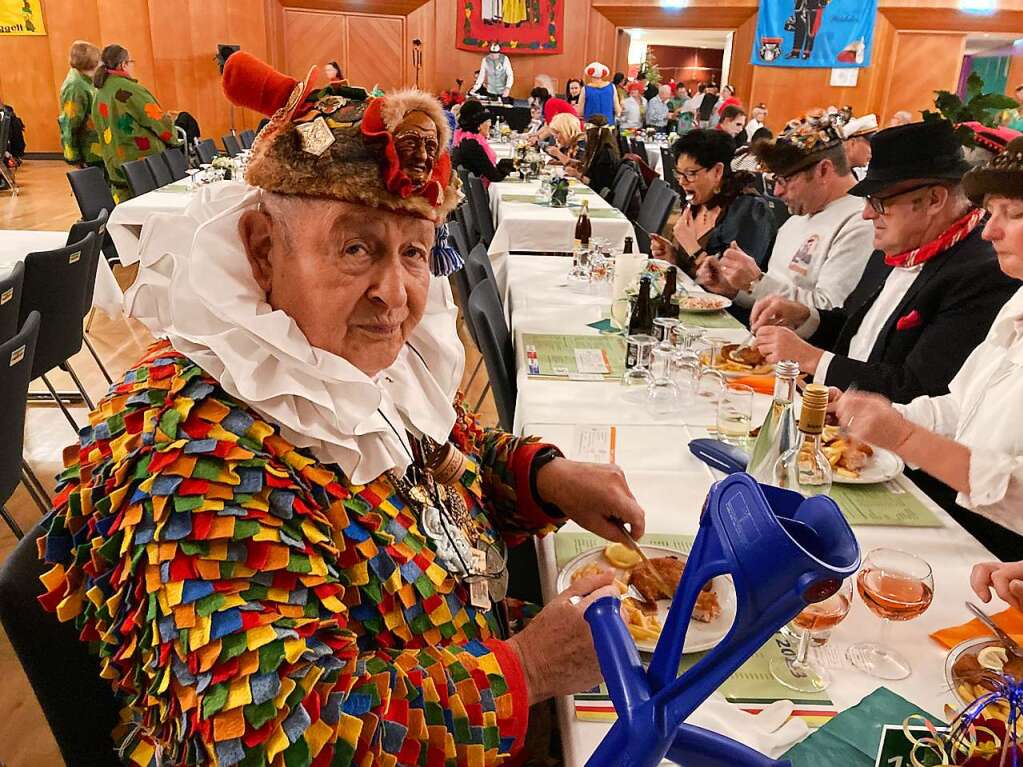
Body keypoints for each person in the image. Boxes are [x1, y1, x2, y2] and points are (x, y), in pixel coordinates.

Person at [39, 51, 648, 765]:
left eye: (415, 253)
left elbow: (440, 449)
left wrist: (545, 475)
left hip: (461, 658)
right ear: (263, 249)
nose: (395, 295)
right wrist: (528, 670)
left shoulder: (332, 354)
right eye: (357, 247)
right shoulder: (197, 449)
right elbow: (277, 732)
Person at [833, 137, 1023, 559]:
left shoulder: (981, 276)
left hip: (991, 542)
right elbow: (959, 406)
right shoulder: (1018, 300)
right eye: (991, 213)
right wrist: (871, 412)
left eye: (1013, 214)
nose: (989, 230)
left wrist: (903, 436)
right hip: (975, 538)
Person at [752, 120, 1020, 407]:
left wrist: (812, 358)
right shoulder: (895, 248)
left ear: (933, 200)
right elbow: (857, 330)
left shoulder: (983, 273)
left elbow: (920, 388)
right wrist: (805, 317)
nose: (867, 214)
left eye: (879, 202)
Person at [697, 119, 875, 319]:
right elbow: (772, 289)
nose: (777, 191)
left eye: (785, 180)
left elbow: (828, 314)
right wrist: (732, 289)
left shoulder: (859, 223)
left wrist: (756, 281)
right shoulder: (798, 216)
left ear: (823, 170)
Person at [650, 129, 777, 272]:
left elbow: (736, 286)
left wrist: (693, 249)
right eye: (679, 174)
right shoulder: (699, 200)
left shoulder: (750, 211)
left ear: (717, 171)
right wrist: (674, 258)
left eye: (690, 174)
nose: (682, 182)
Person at [91, 44, 180, 202]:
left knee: (127, 211)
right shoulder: (130, 89)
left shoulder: (100, 92)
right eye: (131, 62)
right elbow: (156, 120)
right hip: (141, 162)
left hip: (115, 163)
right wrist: (174, 136)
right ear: (123, 64)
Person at [58, 40, 103, 169]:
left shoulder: (88, 80)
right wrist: (73, 157)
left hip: (100, 149)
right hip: (91, 153)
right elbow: (69, 123)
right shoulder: (75, 86)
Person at [451, 100, 513, 184]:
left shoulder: (464, 140)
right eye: (486, 121)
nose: (490, 125)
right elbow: (494, 176)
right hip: (478, 191)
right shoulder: (471, 145)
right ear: (479, 125)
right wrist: (509, 165)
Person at [578, 61, 619, 126]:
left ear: (589, 73)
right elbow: (617, 109)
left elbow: (580, 112)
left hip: (591, 126)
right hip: (608, 124)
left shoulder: (585, 89)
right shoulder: (612, 87)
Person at [842, 114, 877, 180]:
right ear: (852, 143)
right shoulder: (834, 173)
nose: (873, 154)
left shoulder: (851, 175)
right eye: (870, 146)